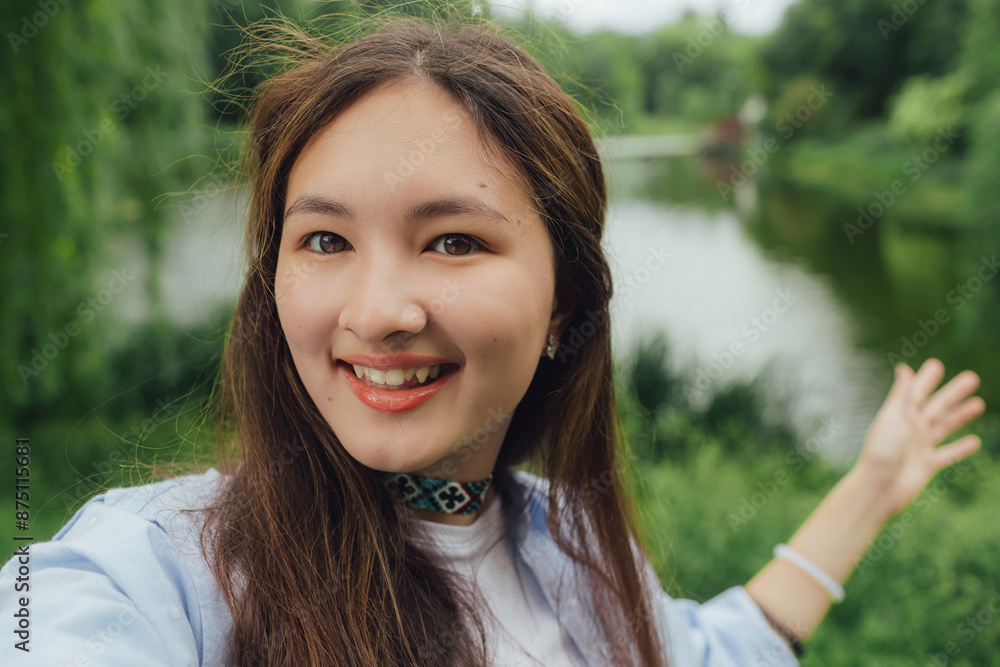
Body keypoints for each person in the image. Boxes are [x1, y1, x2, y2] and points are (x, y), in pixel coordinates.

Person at [0, 16, 986, 667]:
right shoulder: (155, 568)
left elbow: (705, 649)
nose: (379, 309)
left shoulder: (572, 553)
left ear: (563, 301)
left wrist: (871, 485)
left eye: (454, 239)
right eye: (325, 238)